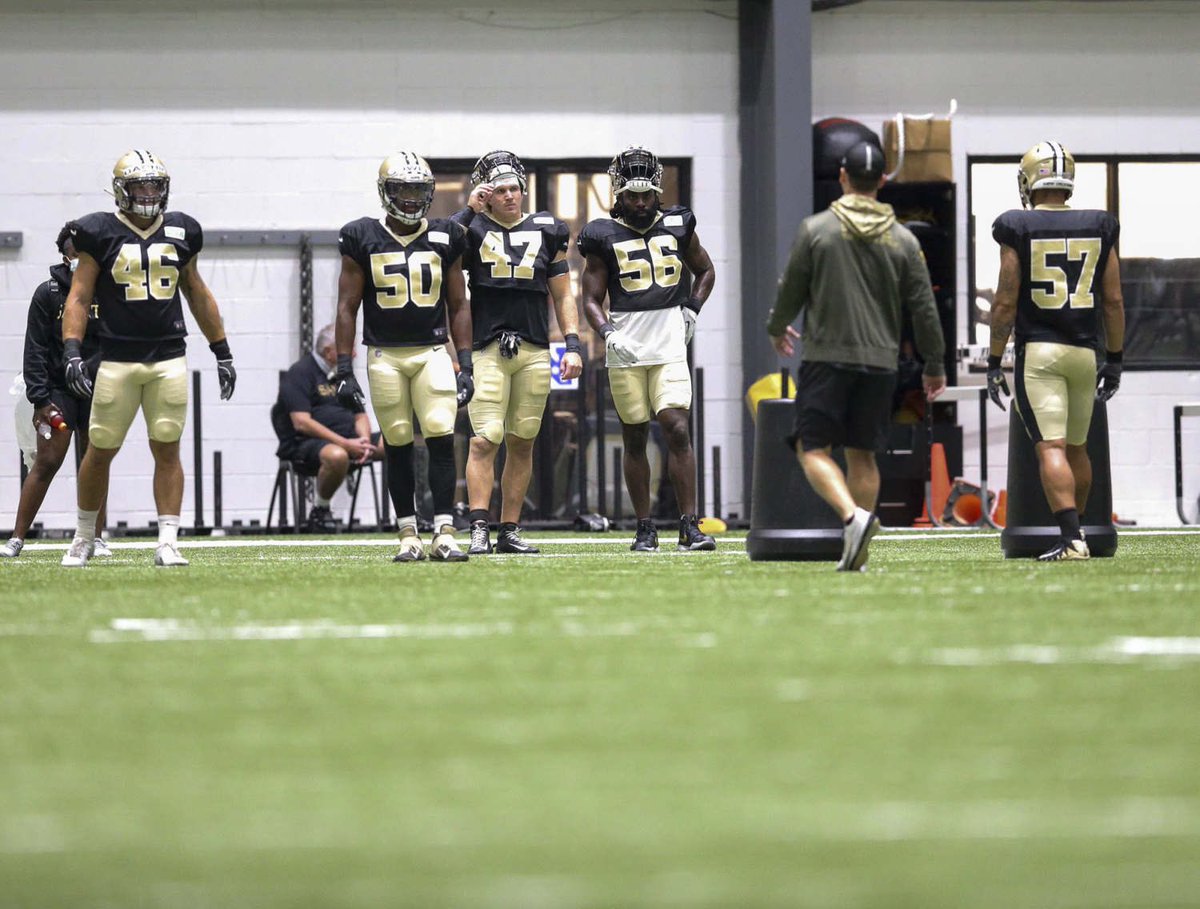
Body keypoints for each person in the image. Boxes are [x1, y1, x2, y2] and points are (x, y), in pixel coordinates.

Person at [767, 141, 946, 572]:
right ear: (883, 181)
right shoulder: (904, 241)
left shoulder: (816, 230)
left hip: (827, 358)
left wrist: (778, 327)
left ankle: (853, 518)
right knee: (863, 455)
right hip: (881, 364)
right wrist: (934, 364)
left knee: (813, 448)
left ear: (843, 177)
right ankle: (857, 555)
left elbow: (791, 289)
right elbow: (923, 307)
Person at [59, 149, 236, 568]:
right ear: (121, 190)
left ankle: (168, 540)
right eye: (140, 185)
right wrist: (71, 349)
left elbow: (196, 292)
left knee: (168, 449)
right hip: (117, 358)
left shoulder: (182, 230)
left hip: (168, 357)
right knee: (99, 449)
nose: (148, 193)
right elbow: (79, 296)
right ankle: (85, 536)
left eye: (155, 185)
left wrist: (221, 350)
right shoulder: (97, 231)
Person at [986, 140, 1125, 562]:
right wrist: (1116, 358)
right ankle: (1076, 533)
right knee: (1078, 448)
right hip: (1086, 351)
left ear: (1031, 179)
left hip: (1041, 351)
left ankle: (1071, 539)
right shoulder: (1101, 223)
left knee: (1050, 447)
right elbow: (1114, 300)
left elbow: (1006, 300)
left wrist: (994, 359)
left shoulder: (1016, 225)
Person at [334, 152, 473, 562]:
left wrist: (464, 362)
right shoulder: (361, 236)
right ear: (385, 192)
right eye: (403, 189)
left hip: (432, 350)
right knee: (396, 441)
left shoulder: (447, 235)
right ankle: (407, 533)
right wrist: (344, 367)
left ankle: (445, 530)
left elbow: (458, 304)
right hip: (385, 354)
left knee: (439, 433)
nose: (411, 199)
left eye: (418, 190)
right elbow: (347, 306)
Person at [578, 146, 717, 553]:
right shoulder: (601, 235)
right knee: (635, 437)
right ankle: (645, 526)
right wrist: (606, 332)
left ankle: (689, 525)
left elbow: (706, 269)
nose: (639, 203)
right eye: (631, 196)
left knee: (676, 428)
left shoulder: (678, 224)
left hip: (669, 346)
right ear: (618, 194)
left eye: (646, 195)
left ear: (657, 192)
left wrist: (692, 308)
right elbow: (589, 297)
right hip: (626, 351)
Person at [450, 150, 583, 555]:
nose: (509, 196)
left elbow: (563, 292)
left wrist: (572, 343)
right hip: (488, 347)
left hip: (534, 347)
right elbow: (440, 251)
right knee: (483, 440)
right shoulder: (470, 228)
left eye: (514, 189)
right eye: (500, 190)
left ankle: (509, 529)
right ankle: (477, 526)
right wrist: (467, 211)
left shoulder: (547, 229)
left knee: (522, 440)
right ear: (487, 195)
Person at [2, 225, 110, 559]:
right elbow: (33, 349)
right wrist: (40, 400)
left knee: (95, 461)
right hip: (57, 392)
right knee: (47, 461)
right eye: (77, 254)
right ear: (66, 256)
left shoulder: (106, 292)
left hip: (95, 389)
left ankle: (96, 538)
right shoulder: (47, 293)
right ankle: (17, 538)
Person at [274, 323, 384, 532]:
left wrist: (364, 441)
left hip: (351, 441)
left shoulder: (343, 376)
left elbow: (360, 414)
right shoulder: (300, 373)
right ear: (328, 352)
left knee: (396, 443)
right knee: (337, 455)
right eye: (345, 348)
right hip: (306, 445)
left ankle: (411, 514)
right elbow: (301, 422)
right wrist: (345, 444)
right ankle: (320, 510)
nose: (351, 354)